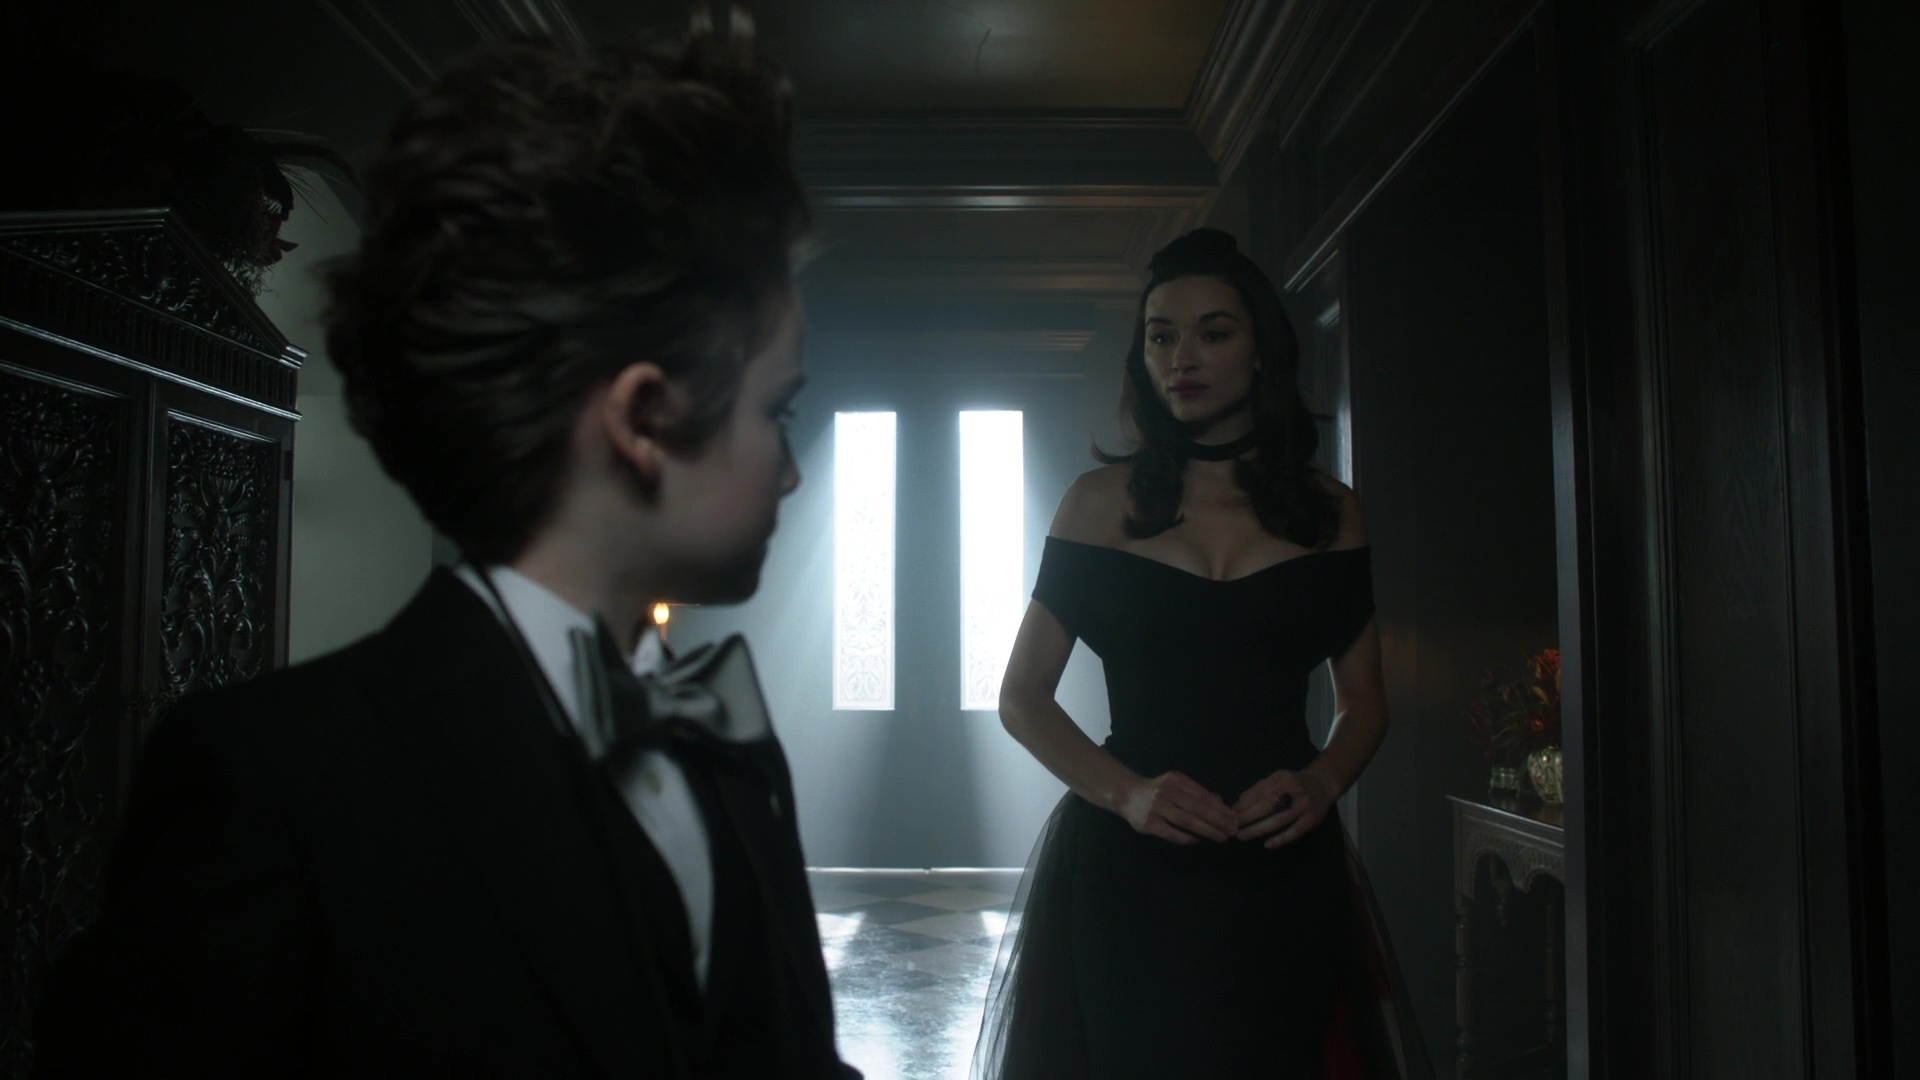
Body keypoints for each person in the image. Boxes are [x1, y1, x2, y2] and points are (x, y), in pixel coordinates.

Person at [34, 10, 857, 1078]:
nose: (791, 471)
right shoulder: (276, 780)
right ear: (643, 420)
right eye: (777, 412)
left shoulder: (720, 737)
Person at [972, 228, 1427, 1080]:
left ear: (1262, 352)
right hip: (1130, 860)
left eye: (1213, 333)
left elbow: (1365, 701)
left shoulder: (1331, 513)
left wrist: (1322, 783)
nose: (1181, 357)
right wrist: (1129, 794)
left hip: (1282, 858)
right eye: (1160, 336)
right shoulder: (1096, 504)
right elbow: (1022, 696)